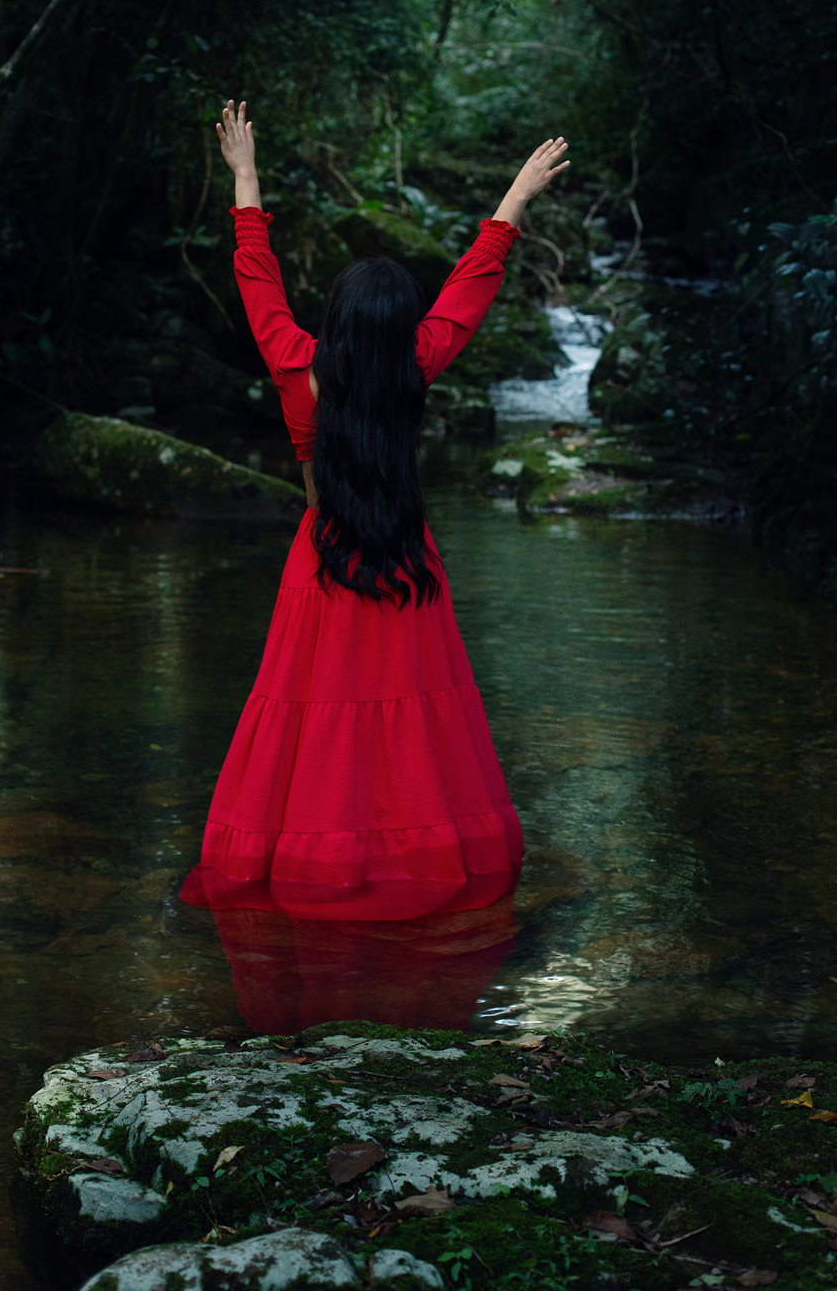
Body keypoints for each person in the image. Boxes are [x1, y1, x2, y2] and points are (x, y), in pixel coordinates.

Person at [180, 101, 570, 922]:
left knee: (310, 722)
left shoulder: (296, 369)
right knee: (412, 727)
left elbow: (259, 282)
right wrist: (516, 198)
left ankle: (308, 866)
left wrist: (245, 178)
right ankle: (414, 865)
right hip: (404, 558)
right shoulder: (416, 366)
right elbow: (470, 287)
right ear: (400, 334)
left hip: (319, 562)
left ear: (339, 323)